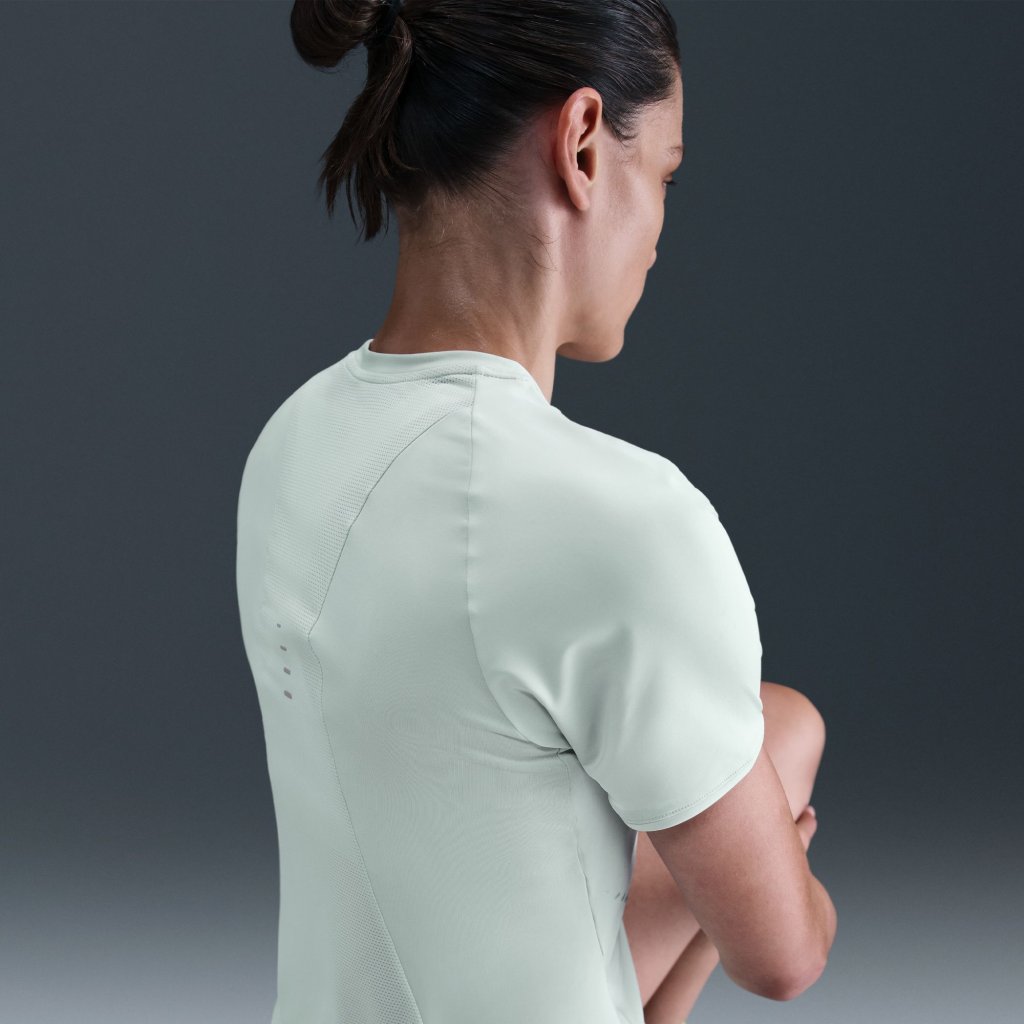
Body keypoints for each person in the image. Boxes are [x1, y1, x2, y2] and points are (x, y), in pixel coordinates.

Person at [234, 1, 837, 1022]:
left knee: (779, 726)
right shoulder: (623, 520)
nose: (661, 234)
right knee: (777, 752)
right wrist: (792, 879)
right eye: (666, 176)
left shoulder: (292, 442)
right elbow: (785, 958)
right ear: (584, 144)